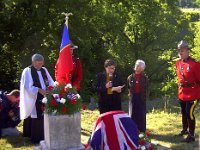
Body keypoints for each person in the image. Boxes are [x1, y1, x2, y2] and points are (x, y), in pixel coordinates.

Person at [20, 53, 55, 144]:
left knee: (45, 114)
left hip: (45, 95)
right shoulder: (27, 71)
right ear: (33, 62)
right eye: (39, 63)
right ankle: (35, 137)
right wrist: (38, 90)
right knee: (36, 115)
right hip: (34, 97)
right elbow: (27, 86)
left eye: (42, 63)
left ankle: (45, 135)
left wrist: (52, 88)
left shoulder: (44, 69)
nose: (41, 65)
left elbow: (50, 81)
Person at [175, 40, 200, 143]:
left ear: (187, 51)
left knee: (189, 113)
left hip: (193, 93)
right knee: (183, 113)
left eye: (183, 50)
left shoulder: (195, 64)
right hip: (182, 92)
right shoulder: (178, 63)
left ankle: (192, 135)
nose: (181, 52)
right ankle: (185, 130)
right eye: (179, 50)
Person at [127, 60, 148, 133]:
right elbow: (128, 88)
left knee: (141, 114)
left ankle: (142, 131)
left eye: (139, 66)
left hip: (141, 98)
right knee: (132, 114)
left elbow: (146, 89)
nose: (136, 67)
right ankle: (132, 130)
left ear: (142, 68)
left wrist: (144, 98)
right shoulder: (130, 77)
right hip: (133, 98)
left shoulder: (145, 78)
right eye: (136, 65)